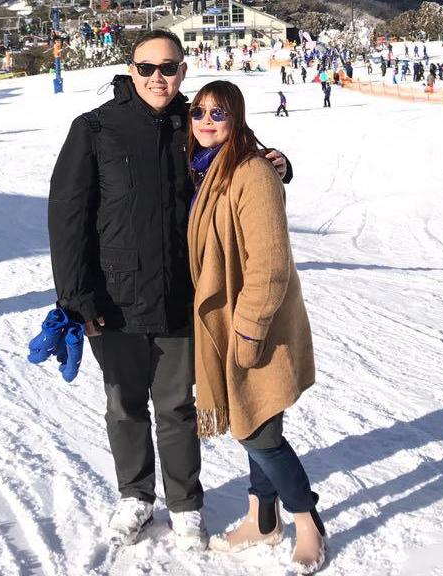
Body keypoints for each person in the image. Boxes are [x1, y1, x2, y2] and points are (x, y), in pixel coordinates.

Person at [48, 30, 292, 549]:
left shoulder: (193, 123)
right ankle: (135, 495)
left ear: (182, 70)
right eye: (146, 68)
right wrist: (76, 296)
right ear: (130, 70)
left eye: (169, 67)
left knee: (178, 406)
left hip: (182, 294)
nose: (157, 78)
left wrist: (280, 164)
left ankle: (184, 503)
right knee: (124, 405)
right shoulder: (95, 129)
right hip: (112, 299)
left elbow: (242, 156)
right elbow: (67, 216)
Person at [186, 81, 324, 572]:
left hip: (252, 323)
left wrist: (248, 329)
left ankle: (306, 519)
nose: (206, 121)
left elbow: (269, 265)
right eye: (198, 112)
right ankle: (261, 518)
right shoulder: (204, 169)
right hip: (227, 322)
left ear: (236, 119)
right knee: (256, 414)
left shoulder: (251, 172)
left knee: (256, 431)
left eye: (217, 113)